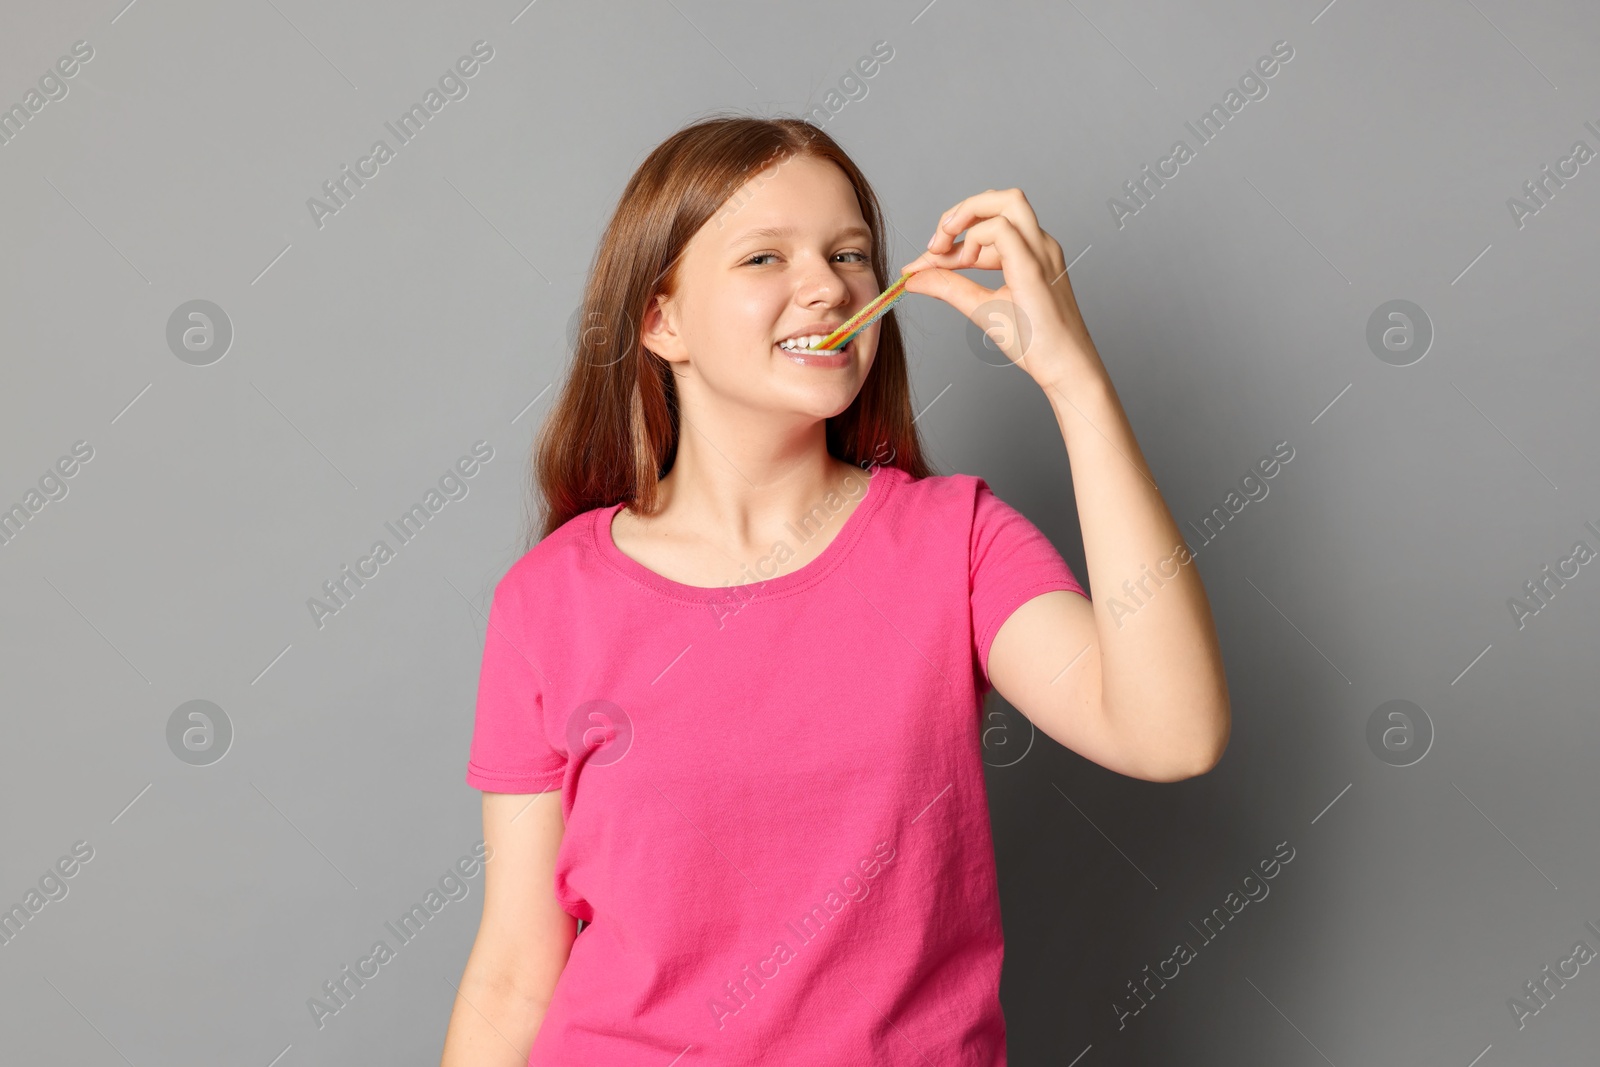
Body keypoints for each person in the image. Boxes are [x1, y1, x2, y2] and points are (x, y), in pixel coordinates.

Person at [439, 114, 1229, 1066]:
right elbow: (517, 969)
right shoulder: (546, 598)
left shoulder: (958, 543)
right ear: (662, 320)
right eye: (764, 257)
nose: (827, 286)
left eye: (850, 253)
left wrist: (1071, 376)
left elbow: (1173, 733)